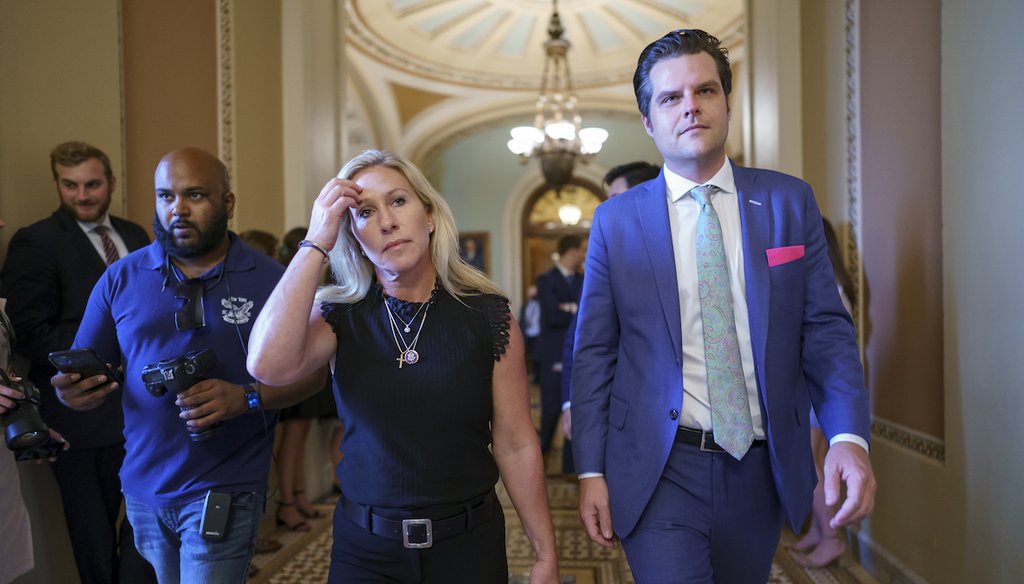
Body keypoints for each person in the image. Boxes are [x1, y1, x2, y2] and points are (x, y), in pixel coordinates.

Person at [571, 29, 876, 583]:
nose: (690, 106)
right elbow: (595, 353)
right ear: (648, 121)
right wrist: (590, 469)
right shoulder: (617, 222)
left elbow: (826, 333)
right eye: (670, 98)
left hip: (759, 467)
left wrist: (847, 437)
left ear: (727, 103)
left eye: (705, 91)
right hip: (659, 467)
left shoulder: (787, 201)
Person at [246, 149, 559, 583]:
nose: (387, 222)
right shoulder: (339, 315)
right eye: (365, 212)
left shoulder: (488, 316)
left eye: (398, 201)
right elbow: (266, 366)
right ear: (353, 237)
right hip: (367, 551)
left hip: (469, 546)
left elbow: (516, 442)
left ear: (428, 215)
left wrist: (545, 554)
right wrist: (318, 240)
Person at [50, 147, 326, 584]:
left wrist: (246, 398)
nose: (177, 208)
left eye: (195, 195)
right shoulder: (121, 278)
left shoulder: (275, 280)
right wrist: (72, 393)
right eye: (166, 196)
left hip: (227, 483)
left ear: (227, 203)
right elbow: (85, 371)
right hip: (143, 487)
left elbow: (314, 374)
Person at [0, 141, 153, 584]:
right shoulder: (37, 241)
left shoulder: (136, 235)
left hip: (148, 409)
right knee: (93, 535)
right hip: (79, 414)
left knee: (149, 531)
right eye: (70, 185)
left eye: (92, 184)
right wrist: (104, 352)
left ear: (110, 183)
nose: (82, 195)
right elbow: (27, 330)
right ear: (56, 184)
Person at [559, 161, 661, 475]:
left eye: (616, 197)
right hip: (616, 417)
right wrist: (570, 402)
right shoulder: (607, 261)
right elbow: (578, 341)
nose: (608, 209)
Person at [792, 218, 857, 568]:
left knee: (814, 465)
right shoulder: (832, 283)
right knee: (812, 463)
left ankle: (832, 538)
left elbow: (827, 347)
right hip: (813, 388)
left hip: (818, 390)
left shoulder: (830, 288)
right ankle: (820, 530)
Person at [534, 235, 584, 456]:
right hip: (552, 353)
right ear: (572, 251)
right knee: (552, 408)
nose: (584, 255)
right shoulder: (546, 280)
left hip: (579, 355)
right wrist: (574, 310)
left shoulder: (585, 280)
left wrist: (567, 307)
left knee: (578, 409)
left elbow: (588, 316)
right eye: (581, 250)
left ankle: (571, 466)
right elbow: (552, 315)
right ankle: (540, 456)